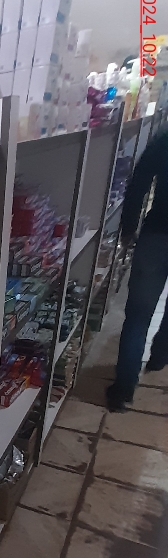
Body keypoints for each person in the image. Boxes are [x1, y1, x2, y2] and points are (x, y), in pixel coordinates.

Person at [106, 128, 168, 411]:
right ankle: (159, 357)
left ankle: (122, 390)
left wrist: (129, 228)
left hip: (156, 236)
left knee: (138, 316)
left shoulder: (164, 139)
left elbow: (138, 182)